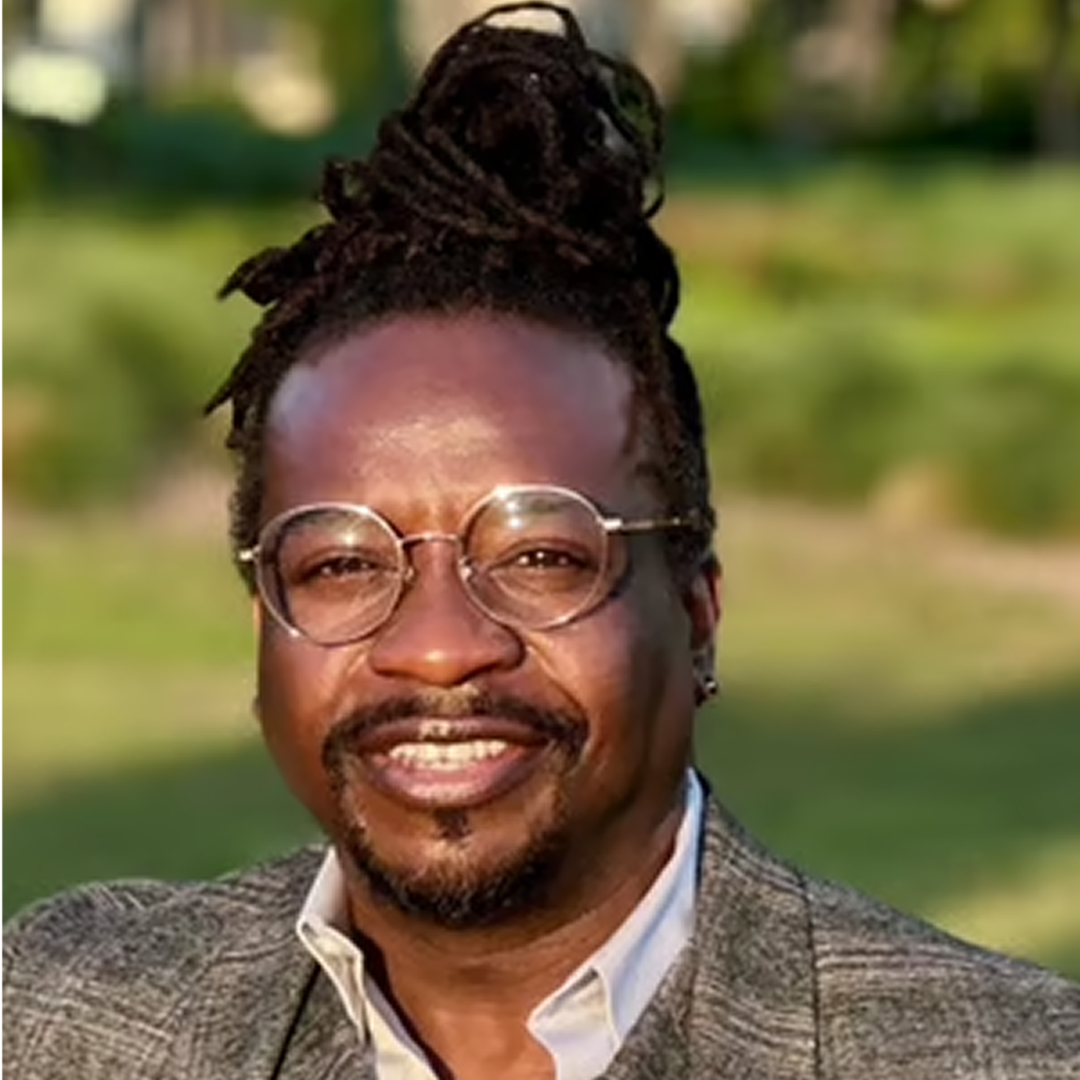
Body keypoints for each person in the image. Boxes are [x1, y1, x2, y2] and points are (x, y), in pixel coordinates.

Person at [2, 4, 1078, 1078]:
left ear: (699, 615)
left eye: (539, 557)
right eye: (340, 565)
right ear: (263, 628)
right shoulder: (61, 1021)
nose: (435, 648)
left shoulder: (1007, 1058)